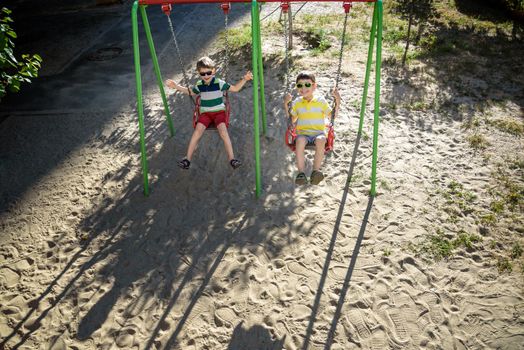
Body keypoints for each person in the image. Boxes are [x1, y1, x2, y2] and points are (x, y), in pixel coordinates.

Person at [166, 56, 253, 170]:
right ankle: (187, 159)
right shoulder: (199, 84)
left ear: (213, 71)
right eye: (203, 74)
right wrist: (176, 86)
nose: (206, 76)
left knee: (223, 131)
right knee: (197, 132)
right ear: (199, 73)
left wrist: (244, 79)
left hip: (219, 113)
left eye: (208, 72)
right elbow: (191, 92)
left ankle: (232, 159)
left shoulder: (219, 83)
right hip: (205, 114)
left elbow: (235, 89)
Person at [284, 71, 340, 185]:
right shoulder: (297, 102)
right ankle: (301, 174)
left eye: (307, 85)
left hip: (318, 133)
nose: (303, 88)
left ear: (314, 86)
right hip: (303, 134)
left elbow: (332, 116)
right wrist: (286, 104)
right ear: (296, 87)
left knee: (321, 140)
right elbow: (292, 119)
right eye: (299, 85)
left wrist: (337, 101)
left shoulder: (320, 101)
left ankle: (315, 172)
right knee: (299, 141)